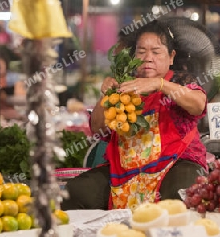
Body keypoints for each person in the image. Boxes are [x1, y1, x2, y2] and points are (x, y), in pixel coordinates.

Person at [63, 20, 207, 210]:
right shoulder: (125, 86)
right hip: (125, 172)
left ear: (171, 57)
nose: (148, 58)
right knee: (75, 191)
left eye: (156, 52)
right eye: (141, 52)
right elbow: (97, 128)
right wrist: (105, 97)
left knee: (179, 195)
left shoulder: (179, 82)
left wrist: (160, 84)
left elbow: (198, 104)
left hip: (175, 165)